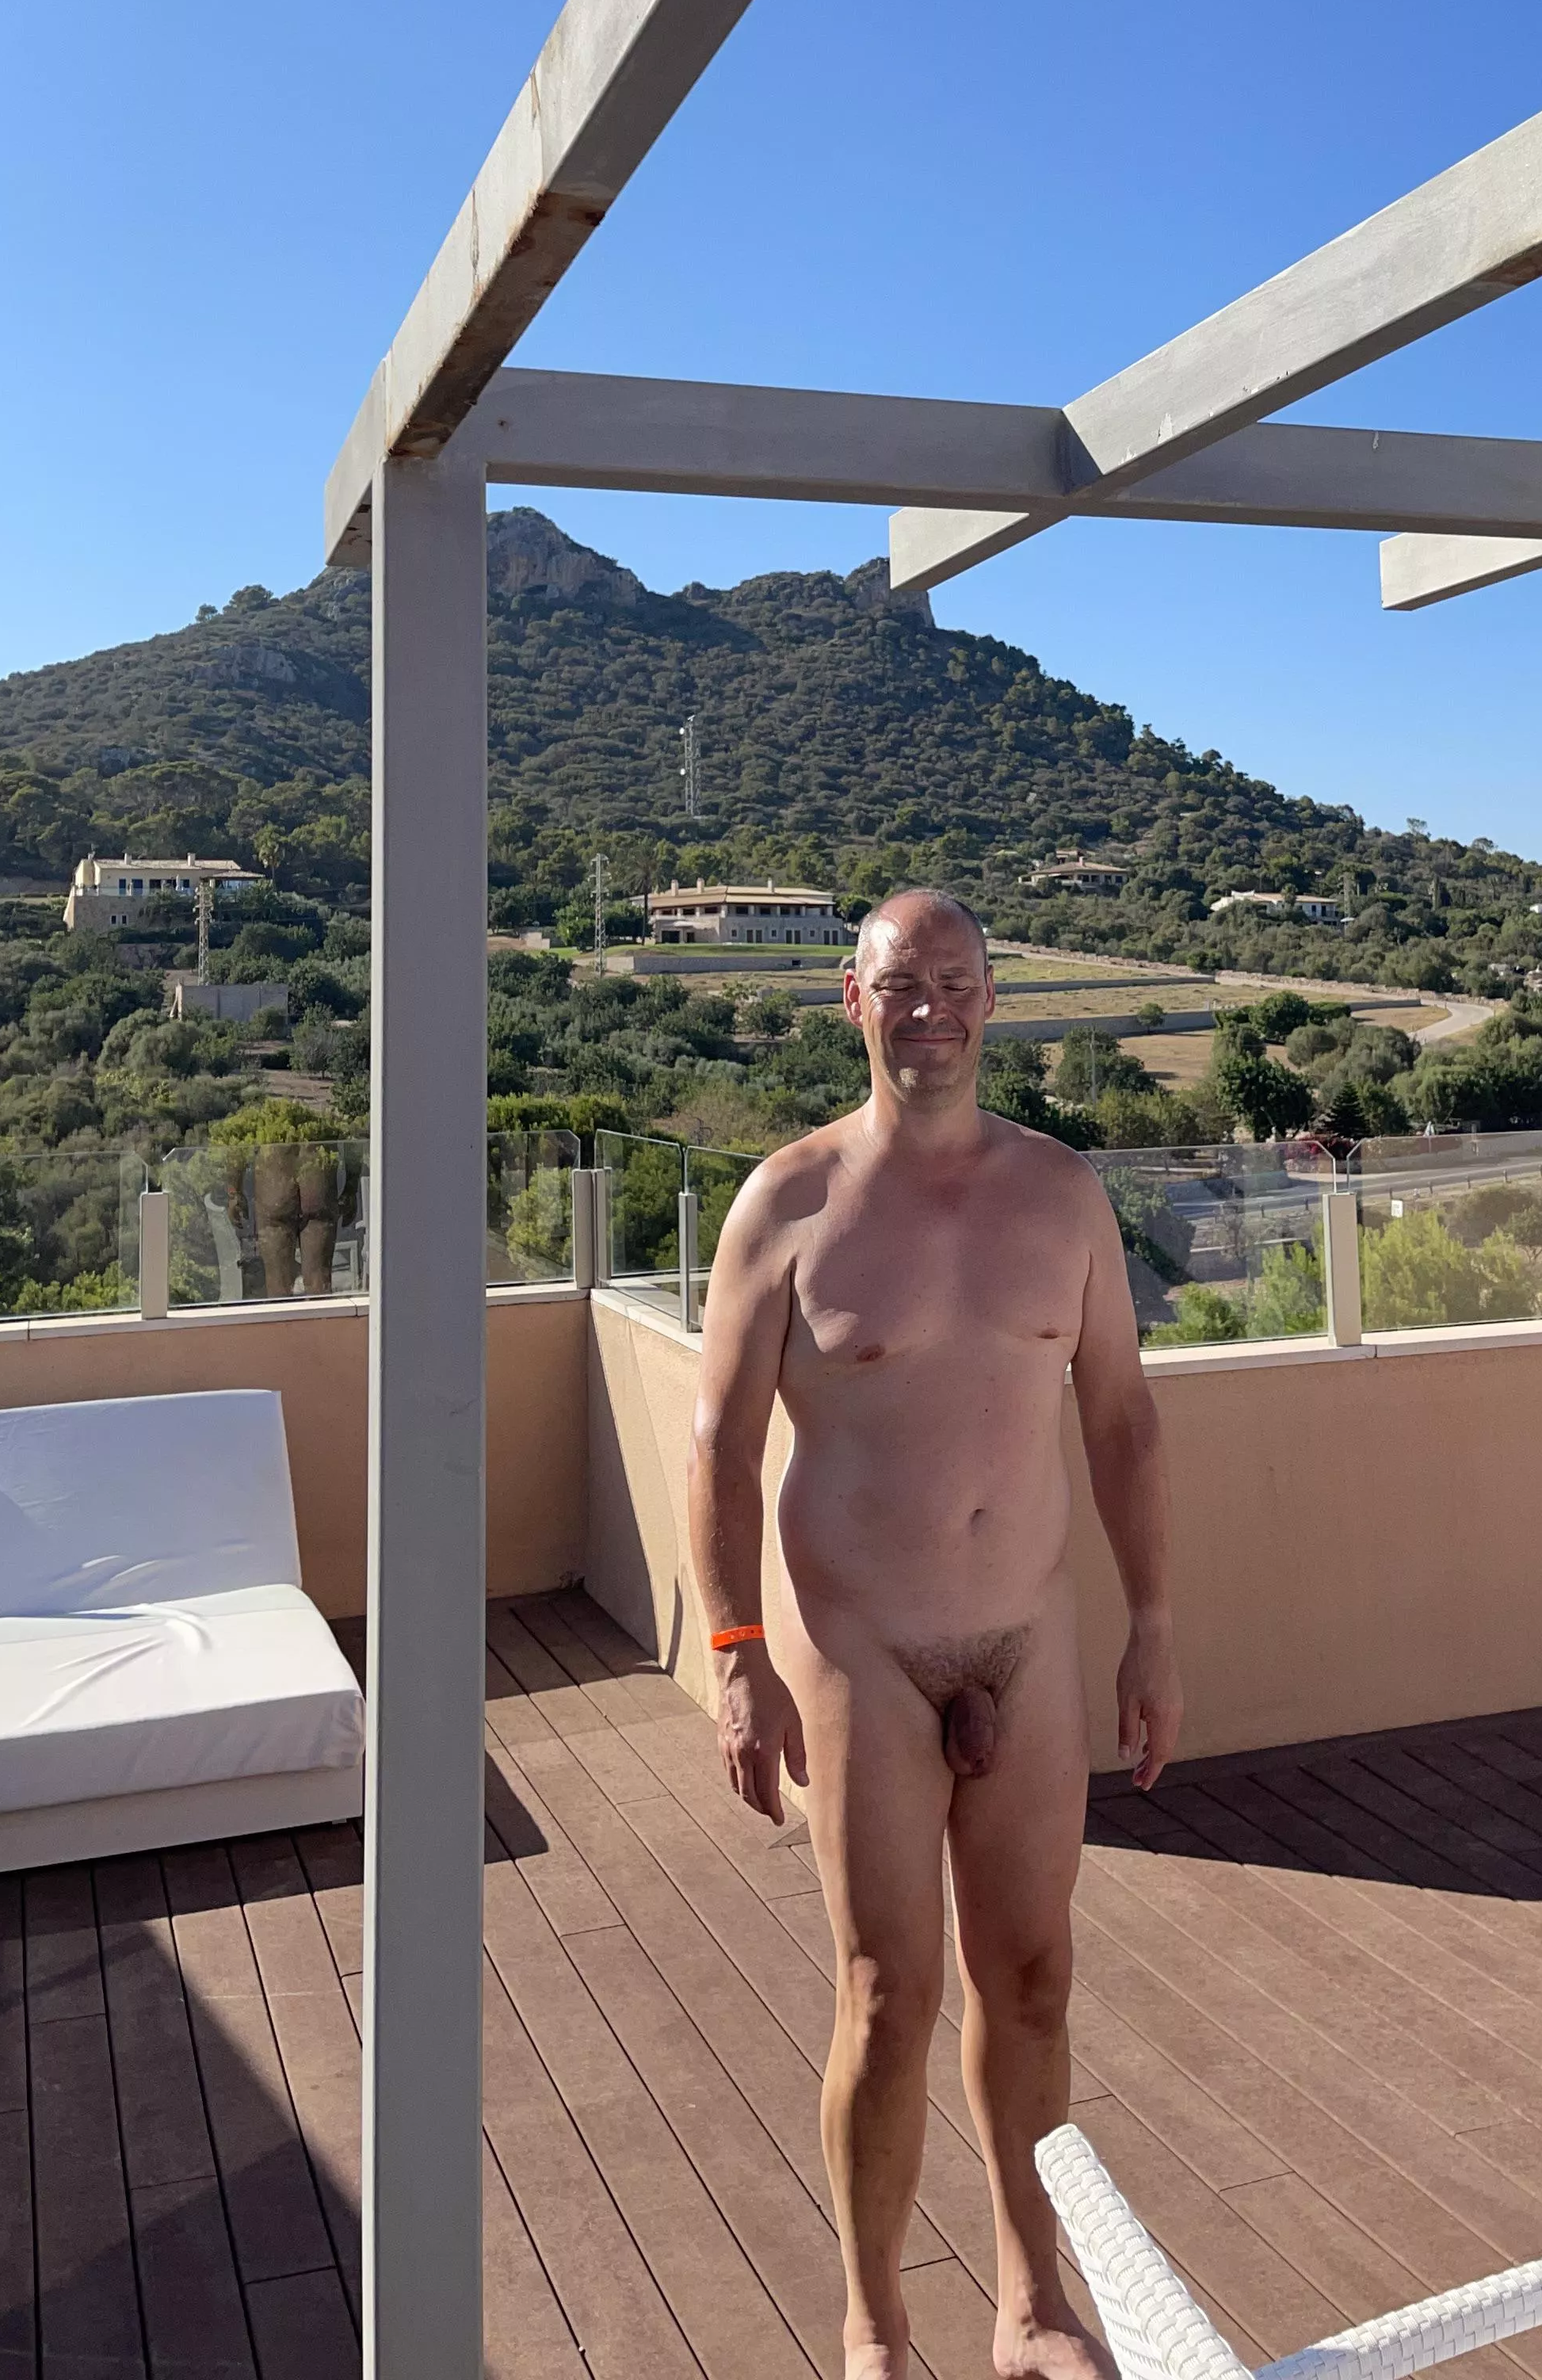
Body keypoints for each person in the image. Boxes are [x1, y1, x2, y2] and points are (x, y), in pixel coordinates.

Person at [689, 887, 1181, 2380]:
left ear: (993, 1002)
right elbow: (715, 1448)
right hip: (865, 1656)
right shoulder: (787, 1205)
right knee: (889, 1993)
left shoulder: (1065, 1195)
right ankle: (877, 2325)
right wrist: (734, 1657)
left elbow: (1122, 1419)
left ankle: (1032, 2308)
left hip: (1028, 1640)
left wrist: (1154, 1621)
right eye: (904, 983)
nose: (933, 1008)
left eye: (958, 982)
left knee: (1032, 1974)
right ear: (857, 1001)